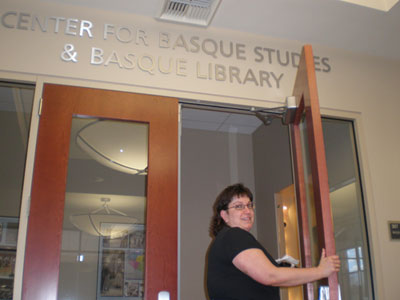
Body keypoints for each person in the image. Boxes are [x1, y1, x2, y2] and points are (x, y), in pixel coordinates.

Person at [206, 183, 340, 300]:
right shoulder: (234, 235)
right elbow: (270, 275)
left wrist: (280, 268)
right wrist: (321, 271)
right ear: (224, 215)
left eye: (249, 205)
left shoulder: (226, 240)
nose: (247, 211)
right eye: (239, 206)